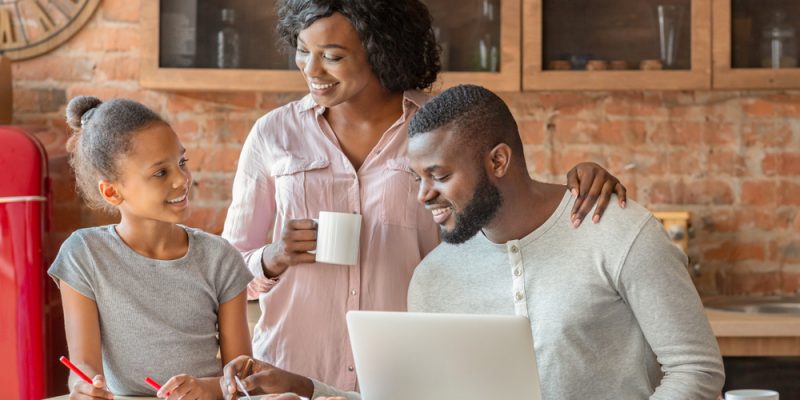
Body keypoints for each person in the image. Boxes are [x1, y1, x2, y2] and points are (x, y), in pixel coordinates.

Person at [221, 0, 626, 394]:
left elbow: (505, 223)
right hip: (292, 374)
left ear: (380, 49)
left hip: (410, 374)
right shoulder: (273, 135)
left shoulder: (441, 131)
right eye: (303, 51)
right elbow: (226, 273)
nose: (311, 70)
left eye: (332, 56)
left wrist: (580, 184)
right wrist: (272, 259)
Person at [401, 85, 724, 399]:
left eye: (440, 176)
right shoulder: (432, 278)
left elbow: (696, 369)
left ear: (498, 161)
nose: (423, 195)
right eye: (418, 178)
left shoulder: (616, 231)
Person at [50, 96, 253, 399]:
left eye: (181, 162)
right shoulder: (84, 254)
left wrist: (206, 388)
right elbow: (83, 368)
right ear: (111, 191)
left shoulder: (220, 258)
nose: (181, 179)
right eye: (161, 173)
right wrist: (82, 388)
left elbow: (244, 377)